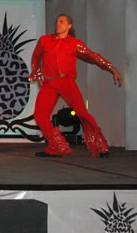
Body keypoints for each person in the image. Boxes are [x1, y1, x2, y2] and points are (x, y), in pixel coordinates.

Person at [29, 14, 122, 158]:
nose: (58, 24)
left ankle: (100, 145)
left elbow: (94, 57)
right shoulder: (45, 40)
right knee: (40, 115)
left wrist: (112, 69)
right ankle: (57, 146)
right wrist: (38, 73)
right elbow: (36, 57)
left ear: (69, 26)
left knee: (83, 113)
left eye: (62, 22)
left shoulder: (74, 44)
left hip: (67, 82)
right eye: (57, 21)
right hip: (50, 84)